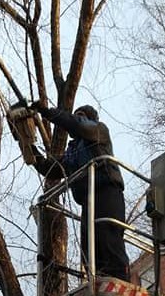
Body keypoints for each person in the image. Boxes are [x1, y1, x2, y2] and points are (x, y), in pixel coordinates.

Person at [29, 102, 130, 281]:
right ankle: (97, 283)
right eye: (76, 116)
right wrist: (30, 149)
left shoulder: (99, 132)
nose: (77, 119)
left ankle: (120, 280)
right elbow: (51, 168)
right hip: (87, 202)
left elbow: (76, 124)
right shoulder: (73, 154)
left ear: (90, 119)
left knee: (108, 240)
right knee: (89, 250)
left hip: (107, 194)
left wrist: (46, 112)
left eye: (81, 116)